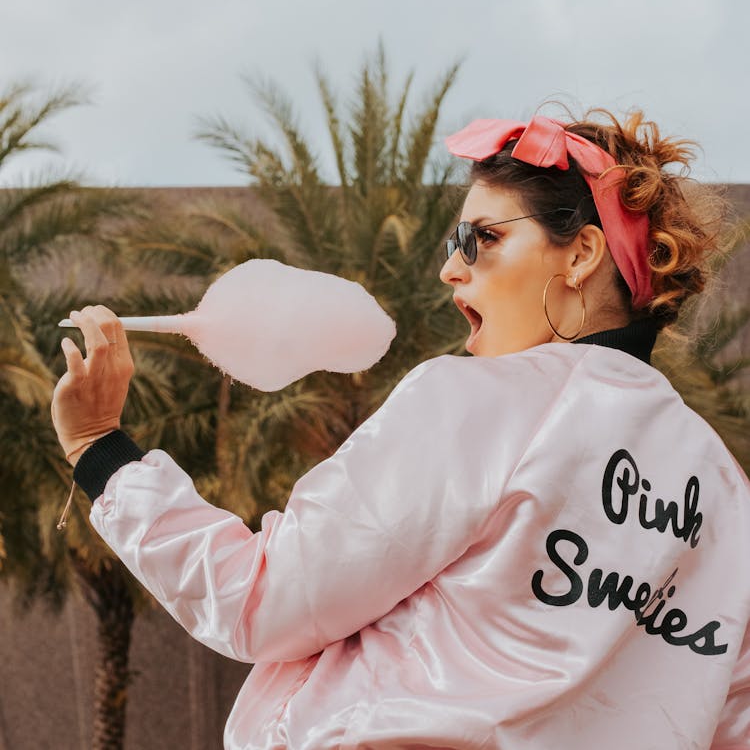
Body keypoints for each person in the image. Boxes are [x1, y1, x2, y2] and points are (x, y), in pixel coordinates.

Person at [51, 110, 750, 750]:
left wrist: (102, 452)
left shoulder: (477, 402)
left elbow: (262, 600)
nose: (450, 267)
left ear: (581, 253)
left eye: (482, 239)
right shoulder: (724, 491)